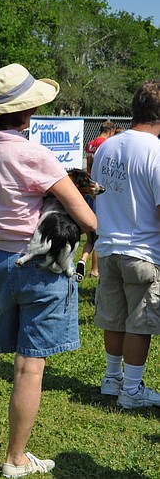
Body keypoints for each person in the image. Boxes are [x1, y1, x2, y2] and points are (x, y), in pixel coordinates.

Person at [0, 63, 96, 477]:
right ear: (25, 112)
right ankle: (15, 459)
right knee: (30, 365)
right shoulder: (35, 155)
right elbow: (87, 220)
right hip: (40, 266)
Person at [92, 80, 160, 409]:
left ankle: (112, 378)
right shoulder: (155, 150)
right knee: (139, 322)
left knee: (114, 317)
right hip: (143, 250)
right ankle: (131, 390)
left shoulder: (107, 147)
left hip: (108, 247)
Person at [76, 119, 116, 279]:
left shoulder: (90, 143)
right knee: (98, 233)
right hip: (96, 187)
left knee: (91, 233)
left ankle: (83, 260)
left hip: (88, 187)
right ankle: (95, 270)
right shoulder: (105, 144)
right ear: (111, 131)